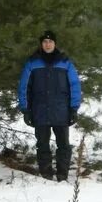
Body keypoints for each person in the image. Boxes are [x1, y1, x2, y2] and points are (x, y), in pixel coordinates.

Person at [17, 30, 82, 181]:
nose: (47, 44)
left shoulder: (65, 63)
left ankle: (62, 174)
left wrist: (73, 108)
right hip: (40, 111)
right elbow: (24, 87)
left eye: (50, 42)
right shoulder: (32, 63)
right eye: (45, 42)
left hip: (61, 111)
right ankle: (46, 174)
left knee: (64, 145)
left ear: (55, 44)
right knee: (42, 145)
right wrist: (25, 110)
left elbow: (74, 85)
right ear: (41, 44)